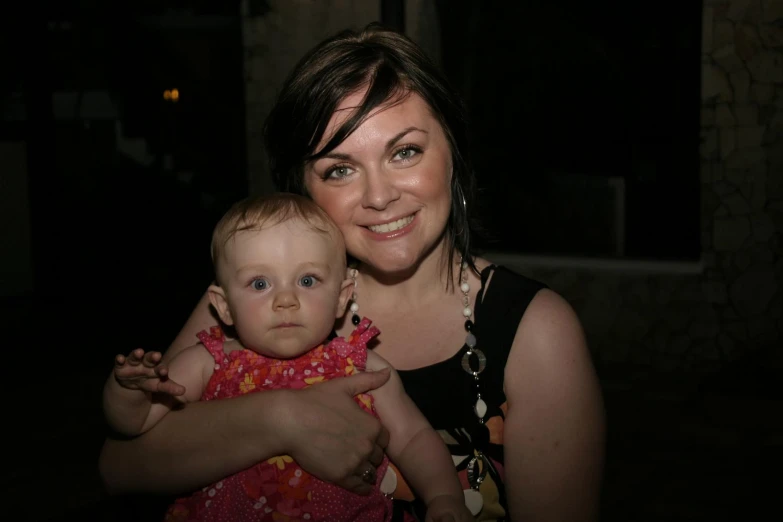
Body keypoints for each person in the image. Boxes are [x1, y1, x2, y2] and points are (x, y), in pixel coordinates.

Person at [99, 22, 605, 522]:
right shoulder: (264, 297)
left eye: (405, 151)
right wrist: (284, 420)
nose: (380, 196)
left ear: (453, 154)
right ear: (303, 190)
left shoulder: (535, 332)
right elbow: (119, 466)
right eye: (339, 169)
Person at [102, 193, 472, 522]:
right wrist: (128, 392)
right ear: (223, 305)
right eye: (260, 284)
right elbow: (135, 425)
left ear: (342, 296)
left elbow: (413, 438)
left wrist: (443, 497)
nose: (285, 300)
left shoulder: (363, 367)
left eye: (307, 281)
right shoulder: (207, 361)